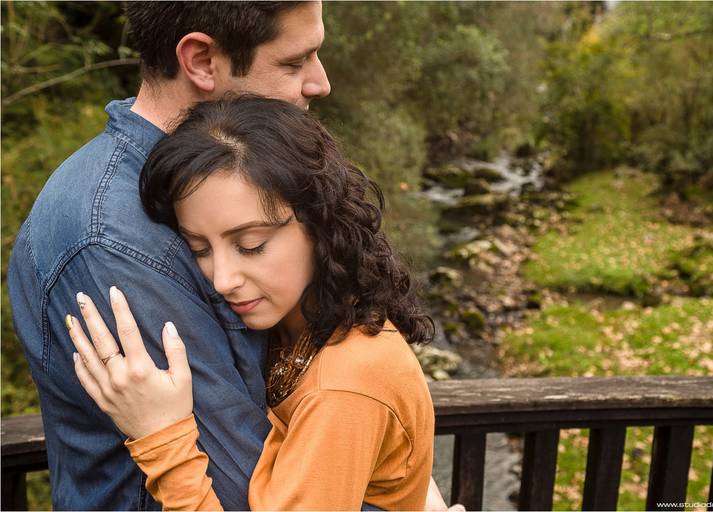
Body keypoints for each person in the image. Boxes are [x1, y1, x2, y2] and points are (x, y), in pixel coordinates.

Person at [8, 2, 330, 509]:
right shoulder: (115, 244)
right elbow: (243, 489)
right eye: (294, 63)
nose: (320, 83)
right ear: (201, 60)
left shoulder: (231, 181)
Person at [67, 94, 436, 510]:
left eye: (251, 245)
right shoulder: (308, 319)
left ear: (320, 223)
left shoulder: (344, 385)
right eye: (199, 249)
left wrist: (161, 438)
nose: (222, 280)